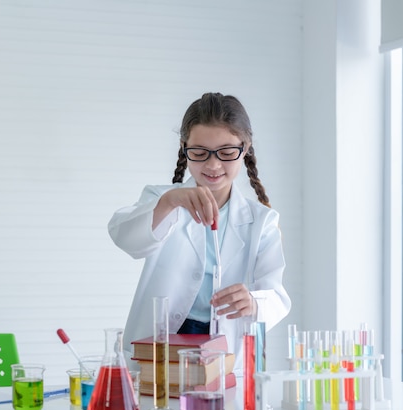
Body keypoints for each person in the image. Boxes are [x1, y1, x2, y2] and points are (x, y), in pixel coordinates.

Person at [108, 92, 291, 373]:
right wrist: (170, 202)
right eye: (199, 152)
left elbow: (277, 297)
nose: (213, 165)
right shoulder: (161, 199)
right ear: (184, 148)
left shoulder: (262, 221)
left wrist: (253, 301)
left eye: (227, 153)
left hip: (226, 347)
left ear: (246, 148)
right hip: (163, 343)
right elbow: (126, 237)